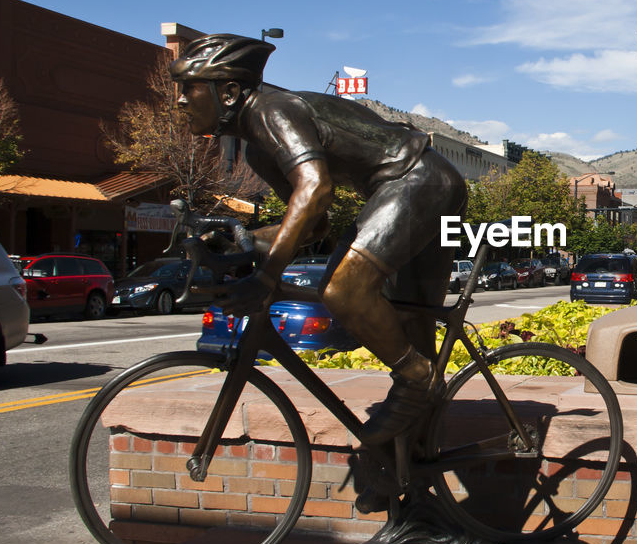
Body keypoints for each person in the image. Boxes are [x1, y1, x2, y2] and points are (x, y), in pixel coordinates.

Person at [171, 33, 467, 511]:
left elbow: (315, 192)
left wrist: (266, 274)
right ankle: (409, 483)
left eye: (189, 88)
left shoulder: (272, 112)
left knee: (345, 290)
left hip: (417, 181)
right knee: (412, 328)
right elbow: (315, 222)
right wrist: (246, 239)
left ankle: (418, 379)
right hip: (406, 188)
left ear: (227, 92)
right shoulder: (256, 150)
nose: (180, 101)